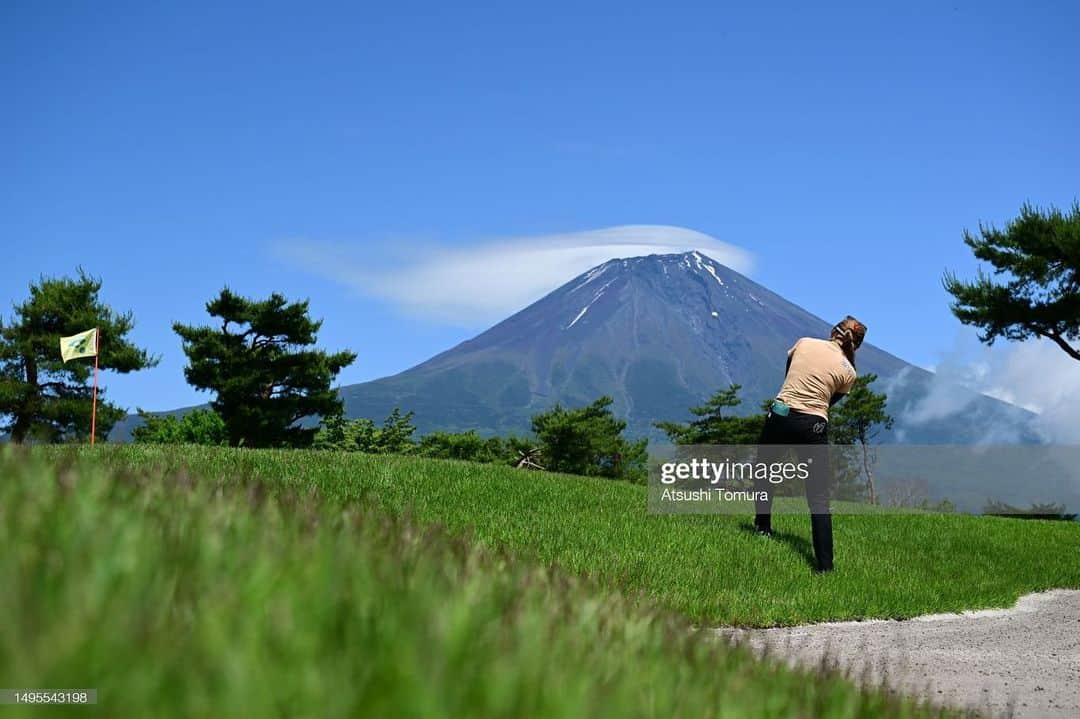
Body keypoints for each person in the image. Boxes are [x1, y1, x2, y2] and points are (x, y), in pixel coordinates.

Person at [753, 316, 867, 572]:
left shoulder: (804, 343)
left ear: (833, 331)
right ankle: (825, 567)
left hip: (781, 414)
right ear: (856, 346)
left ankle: (762, 527)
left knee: (764, 474)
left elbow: (788, 376)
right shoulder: (849, 373)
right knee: (818, 499)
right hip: (813, 425)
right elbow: (829, 402)